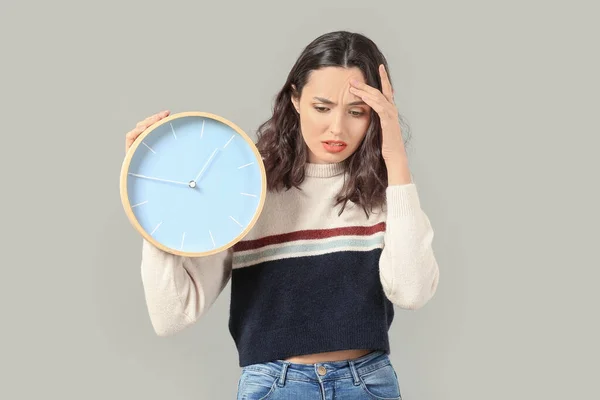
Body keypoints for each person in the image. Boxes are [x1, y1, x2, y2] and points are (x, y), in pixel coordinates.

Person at [124, 30, 440, 400]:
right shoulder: (246, 186)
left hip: (368, 384)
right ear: (295, 98)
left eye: (357, 112)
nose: (337, 128)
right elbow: (172, 316)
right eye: (322, 107)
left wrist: (396, 159)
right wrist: (152, 197)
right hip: (276, 386)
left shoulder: (389, 193)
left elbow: (413, 292)